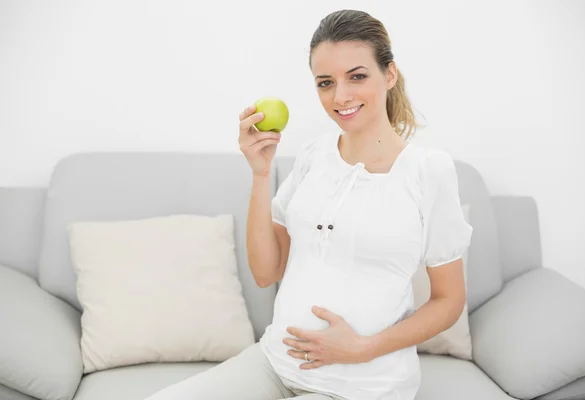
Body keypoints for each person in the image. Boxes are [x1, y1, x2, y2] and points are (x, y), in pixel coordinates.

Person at [145, 9, 472, 400]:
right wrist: (261, 174)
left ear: (389, 74)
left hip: (360, 385)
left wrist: (363, 347)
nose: (340, 96)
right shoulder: (315, 155)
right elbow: (267, 271)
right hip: (273, 364)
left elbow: (448, 300)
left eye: (357, 76)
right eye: (325, 83)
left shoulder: (428, 171)